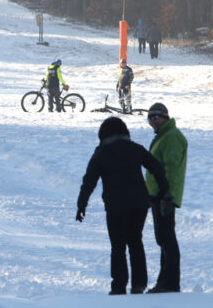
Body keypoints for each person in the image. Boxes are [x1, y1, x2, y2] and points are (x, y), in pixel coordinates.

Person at [76, 117, 170, 296]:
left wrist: (82, 205)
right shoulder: (135, 148)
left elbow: (89, 181)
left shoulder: (101, 153)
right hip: (139, 203)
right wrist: (165, 190)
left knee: (118, 246)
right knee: (135, 241)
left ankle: (118, 287)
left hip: (116, 205)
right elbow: (156, 167)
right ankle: (139, 284)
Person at [144, 103, 188, 293]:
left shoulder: (171, 137)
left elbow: (172, 169)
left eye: (156, 118)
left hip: (164, 195)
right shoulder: (163, 136)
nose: (153, 122)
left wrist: (168, 196)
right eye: (150, 119)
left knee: (167, 239)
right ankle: (165, 282)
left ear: (165, 116)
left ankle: (170, 284)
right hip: (158, 194)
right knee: (163, 238)